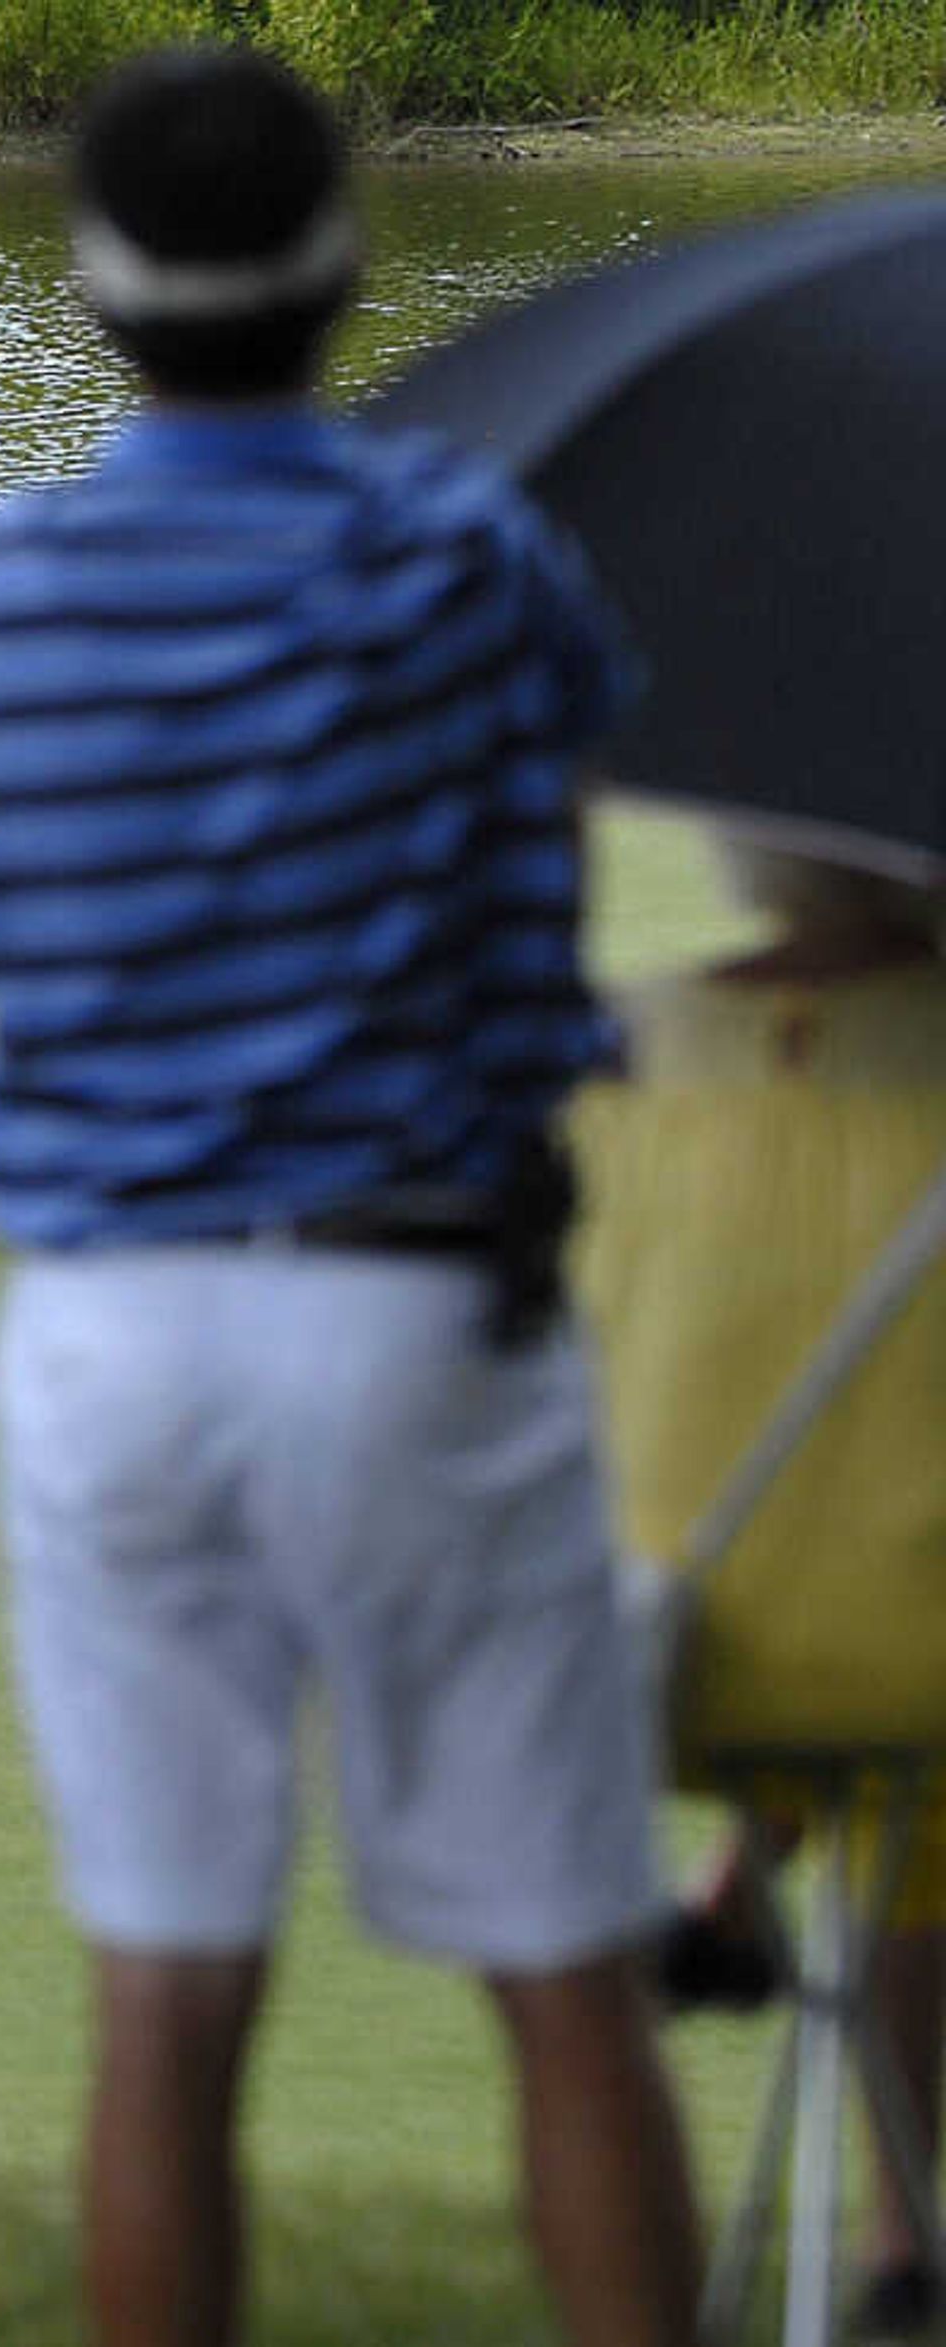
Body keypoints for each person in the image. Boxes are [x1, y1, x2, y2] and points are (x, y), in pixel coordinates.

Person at [0, 46, 704, 2347]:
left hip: (107, 1335)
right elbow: (534, 906)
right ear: (341, 270)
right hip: (409, 1312)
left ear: (92, 291)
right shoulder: (461, 545)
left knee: (163, 1988)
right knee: (562, 1974)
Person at [574, 844, 946, 2337]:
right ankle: (902, 2214)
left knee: (801, 1552)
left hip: (656, 1669)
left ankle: (741, 1872)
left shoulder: (611, 1055)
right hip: (918, 1661)